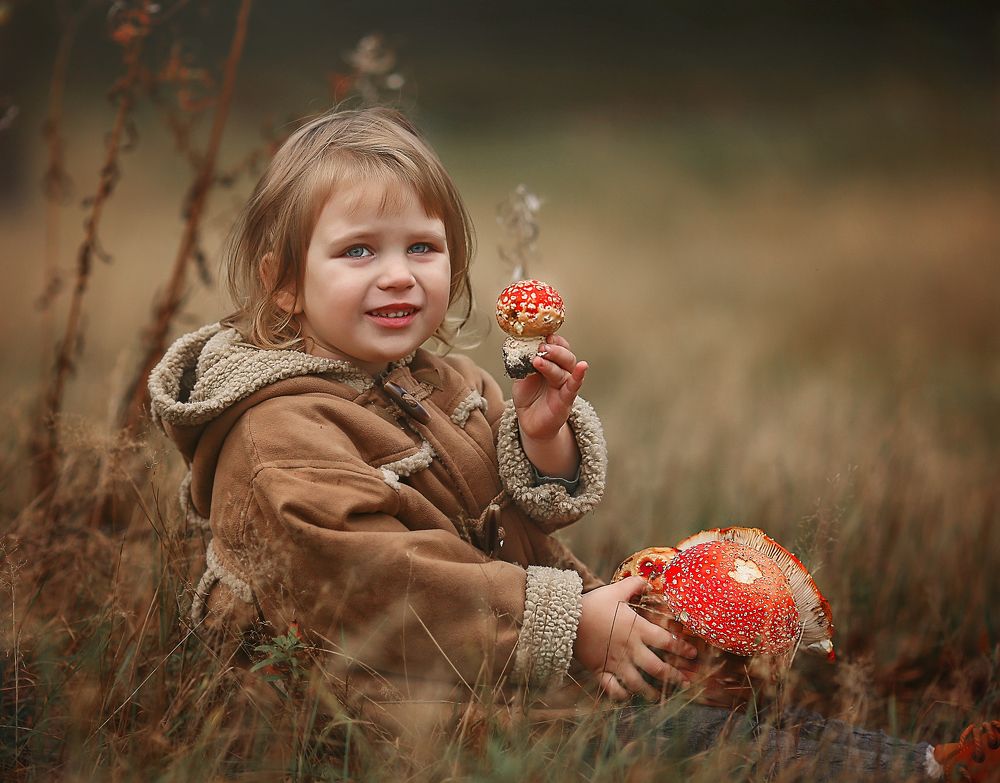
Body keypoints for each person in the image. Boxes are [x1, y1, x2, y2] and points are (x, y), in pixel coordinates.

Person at [148, 106, 997, 781]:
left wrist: (539, 437)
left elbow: (519, 515)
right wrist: (571, 623)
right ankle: (915, 770)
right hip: (370, 715)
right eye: (358, 250)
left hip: (496, 661)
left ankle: (921, 760)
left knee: (712, 709)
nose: (399, 272)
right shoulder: (276, 430)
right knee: (681, 747)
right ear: (283, 282)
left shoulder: (443, 380)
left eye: (422, 247)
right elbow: (374, 582)